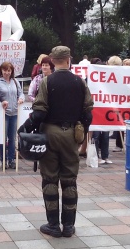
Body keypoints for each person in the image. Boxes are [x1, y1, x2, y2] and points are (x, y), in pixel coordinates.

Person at [21, 46, 93, 238]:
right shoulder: (80, 82)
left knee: (50, 178)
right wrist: (81, 132)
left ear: (52, 60)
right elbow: (88, 113)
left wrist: (25, 128)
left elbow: (40, 112)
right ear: (69, 59)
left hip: (50, 133)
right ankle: (69, 225)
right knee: (70, 180)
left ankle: (53, 225)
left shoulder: (47, 82)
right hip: (72, 134)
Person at [0, 61, 24, 168]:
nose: (7, 73)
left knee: (12, 138)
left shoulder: (15, 82)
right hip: (3, 114)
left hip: (14, 113)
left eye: (9, 70)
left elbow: (21, 93)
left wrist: (21, 98)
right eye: (5, 70)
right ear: (1, 70)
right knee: (3, 138)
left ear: (12, 71)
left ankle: (11, 160)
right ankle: (3, 160)